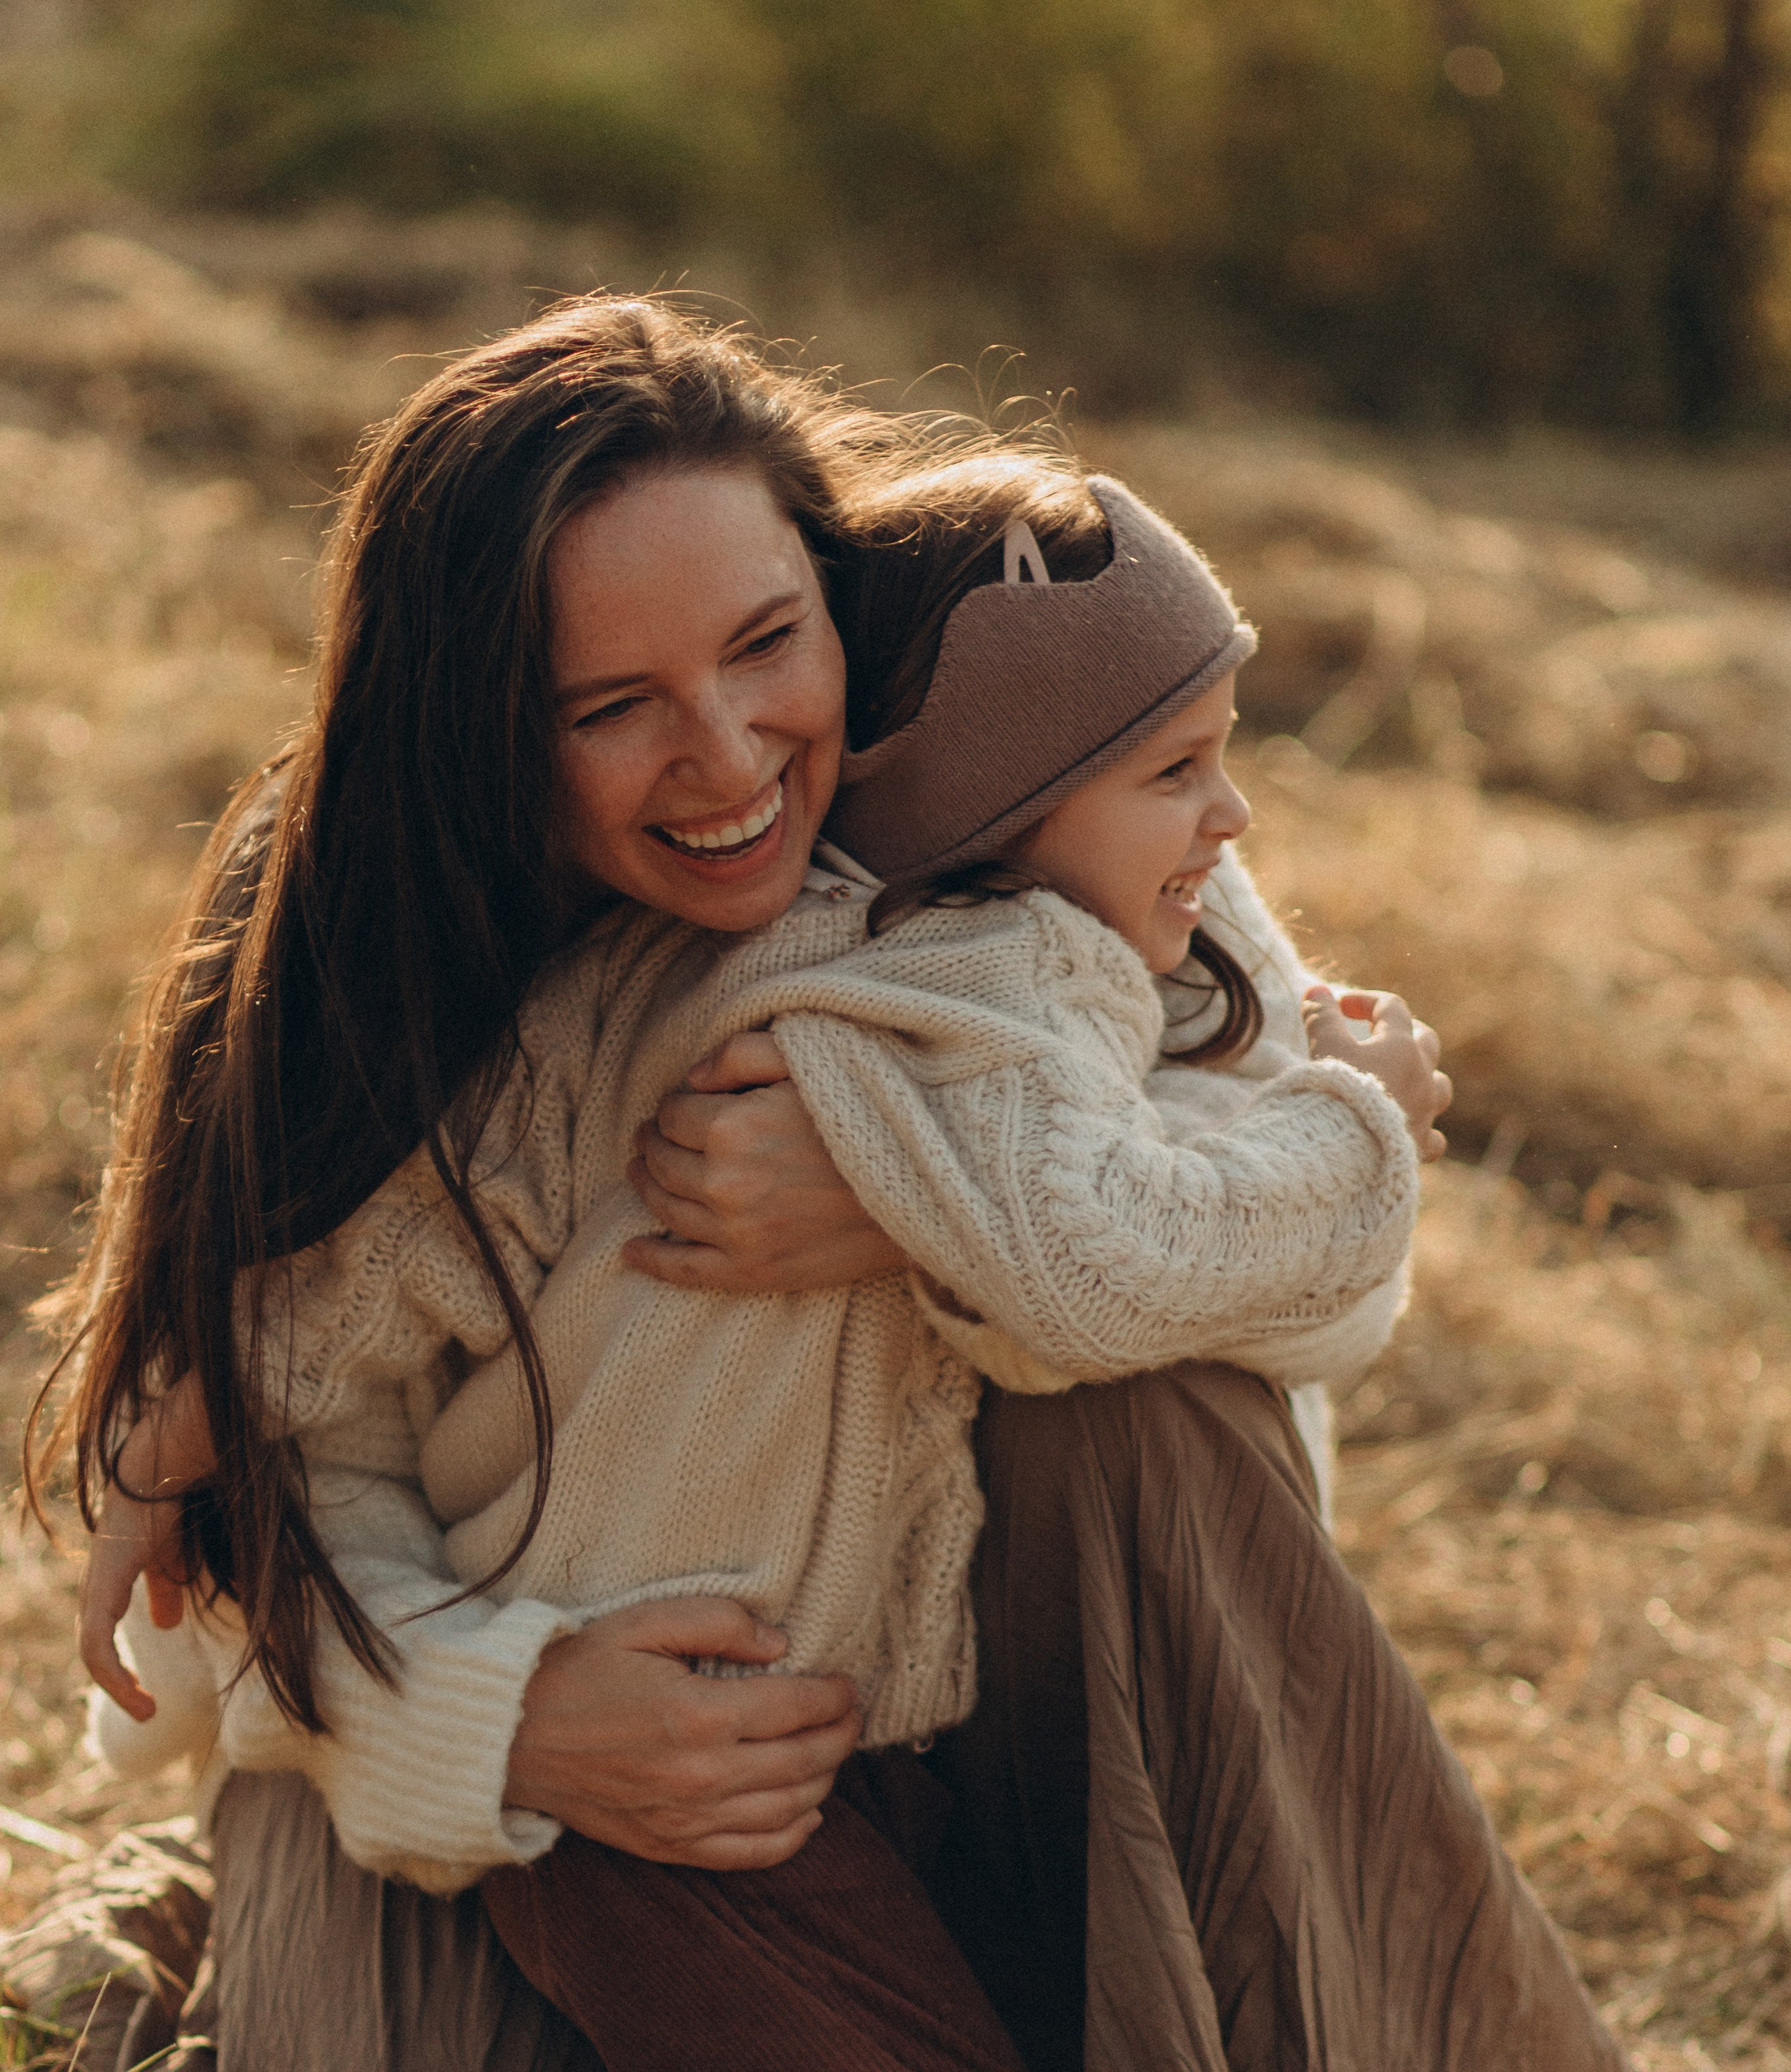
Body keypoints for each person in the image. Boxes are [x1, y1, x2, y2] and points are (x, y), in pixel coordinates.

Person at [31, 299, 1621, 2071]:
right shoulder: (381, 952)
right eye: (611, 707)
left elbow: (1306, 1310)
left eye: (767, 644)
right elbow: (302, 1432)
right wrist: (507, 1722)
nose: (723, 757)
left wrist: (922, 1206)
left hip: (961, 1689)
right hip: (503, 1720)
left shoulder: (1016, 765)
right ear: (480, 735)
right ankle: (178, 1939)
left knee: (1149, 1403)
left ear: (834, 589)